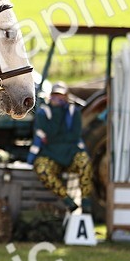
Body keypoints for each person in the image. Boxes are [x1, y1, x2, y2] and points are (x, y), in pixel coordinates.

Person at [26, 82, 94, 212]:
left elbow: (74, 135)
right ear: (50, 96)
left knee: (84, 161)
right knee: (41, 168)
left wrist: (53, 139)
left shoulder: (74, 112)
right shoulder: (43, 113)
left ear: (66, 97)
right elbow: (50, 133)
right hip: (50, 155)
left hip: (71, 153)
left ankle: (85, 202)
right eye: (55, 95)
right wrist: (56, 112)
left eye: (61, 96)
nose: (58, 98)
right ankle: (67, 200)